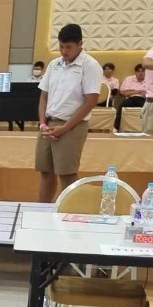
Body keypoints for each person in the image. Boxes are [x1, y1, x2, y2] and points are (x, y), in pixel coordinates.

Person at [36, 24, 103, 204]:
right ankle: (42, 209)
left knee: (66, 173)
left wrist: (65, 128)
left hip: (72, 126)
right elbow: (43, 97)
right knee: (45, 171)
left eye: (68, 47)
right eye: (61, 47)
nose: (64, 51)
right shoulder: (54, 65)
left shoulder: (90, 66)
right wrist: (42, 123)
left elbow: (90, 101)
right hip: (48, 124)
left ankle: (71, 212)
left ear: (80, 44)